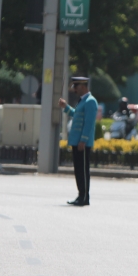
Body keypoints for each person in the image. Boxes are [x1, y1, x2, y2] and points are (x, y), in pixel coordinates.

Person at [58, 77, 98, 206]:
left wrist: (84, 140)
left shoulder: (91, 101)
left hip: (82, 143)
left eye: (76, 87)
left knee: (83, 171)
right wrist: (66, 107)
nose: (74, 90)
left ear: (82, 86)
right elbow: (77, 114)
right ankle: (80, 195)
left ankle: (85, 197)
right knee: (78, 170)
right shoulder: (83, 101)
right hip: (76, 141)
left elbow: (89, 123)